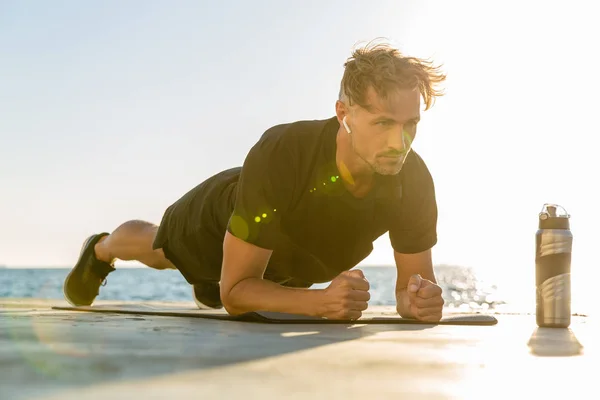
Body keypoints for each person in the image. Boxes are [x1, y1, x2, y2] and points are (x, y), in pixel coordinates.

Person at [63, 40, 447, 322]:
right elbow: (236, 295)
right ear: (344, 113)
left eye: (410, 124)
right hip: (219, 223)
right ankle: (102, 248)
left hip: (288, 261)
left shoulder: (412, 180)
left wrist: (416, 301)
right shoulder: (283, 152)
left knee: (239, 282)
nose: (399, 143)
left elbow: (408, 288)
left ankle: (212, 284)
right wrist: (321, 303)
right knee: (159, 250)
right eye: (383, 123)